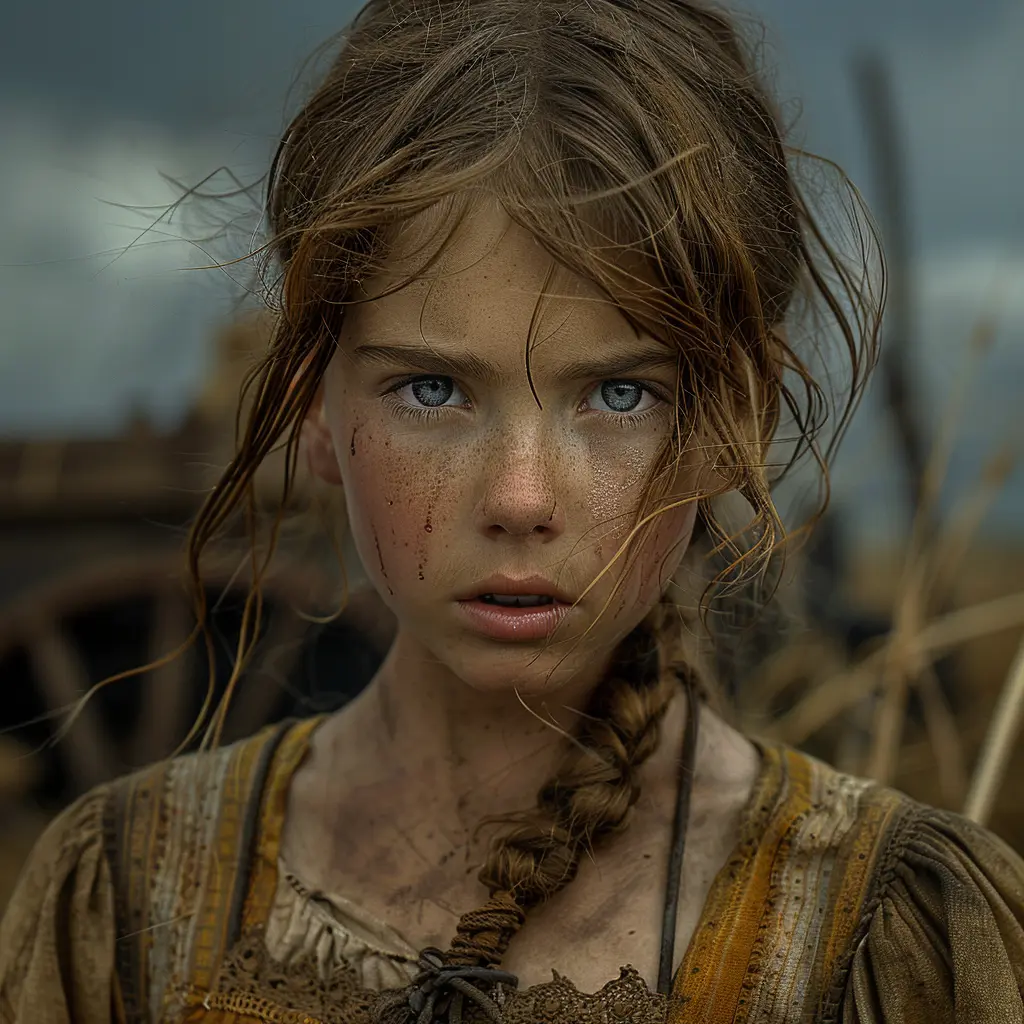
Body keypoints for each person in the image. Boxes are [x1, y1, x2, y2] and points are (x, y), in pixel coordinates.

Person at [3, 0, 1023, 1021]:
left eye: (620, 393)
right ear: (312, 402)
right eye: (433, 391)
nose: (521, 498)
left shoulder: (881, 935)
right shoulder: (125, 898)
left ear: (733, 421)